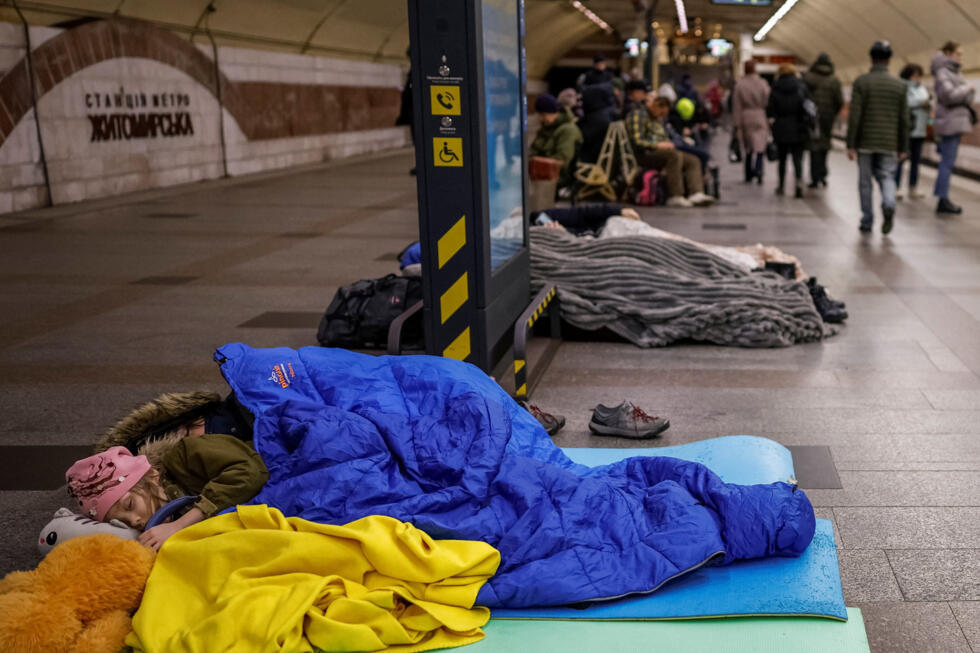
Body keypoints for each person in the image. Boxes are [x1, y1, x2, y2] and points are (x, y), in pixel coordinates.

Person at [66, 435, 268, 551]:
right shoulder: (154, 525)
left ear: (151, 475)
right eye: (124, 522)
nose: (135, 520)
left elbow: (250, 472)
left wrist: (180, 525)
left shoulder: (186, 455)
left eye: (130, 505)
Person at [845, 41, 908, 234]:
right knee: (887, 177)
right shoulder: (900, 85)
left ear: (871, 59)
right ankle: (889, 203)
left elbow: (855, 116)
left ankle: (867, 220)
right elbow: (904, 119)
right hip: (889, 142)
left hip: (865, 142)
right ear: (889, 61)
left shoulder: (861, 82)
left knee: (865, 182)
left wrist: (851, 144)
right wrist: (903, 147)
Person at [627, 93, 715, 208]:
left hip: (661, 150)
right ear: (656, 106)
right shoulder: (638, 115)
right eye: (661, 112)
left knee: (693, 160)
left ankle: (696, 192)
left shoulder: (656, 118)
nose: (661, 116)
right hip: (645, 153)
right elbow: (637, 141)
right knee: (674, 156)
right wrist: (657, 145)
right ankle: (676, 195)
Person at [932, 41, 975, 215]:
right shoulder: (943, 72)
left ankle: (943, 196)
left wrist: (965, 91)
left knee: (947, 162)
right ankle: (943, 199)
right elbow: (949, 96)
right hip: (949, 123)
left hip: (953, 122)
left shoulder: (952, 72)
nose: (960, 57)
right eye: (958, 53)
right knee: (947, 163)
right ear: (948, 53)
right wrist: (966, 89)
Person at [767, 63, 809, 198]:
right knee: (798, 159)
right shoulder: (801, 87)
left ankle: (781, 186)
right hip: (798, 126)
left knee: (782, 159)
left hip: (781, 127)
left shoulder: (776, 88)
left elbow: (770, 110)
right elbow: (807, 107)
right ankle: (798, 184)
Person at [803, 53, 843, 188]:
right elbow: (839, 101)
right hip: (828, 116)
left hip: (812, 117)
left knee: (814, 146)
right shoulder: (834, 80)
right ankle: (823, 175)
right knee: (825, 144)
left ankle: (814, 177)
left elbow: (803, 98)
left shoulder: (808, 78)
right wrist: (833, 113)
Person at [530, 93, 583, 188]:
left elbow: (562, 159)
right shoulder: (547, 127)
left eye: (544, 115)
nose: (541, 118)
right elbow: (535, 148)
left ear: (554, 113)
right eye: (540, 115)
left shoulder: (567, 130)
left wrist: (536, 162)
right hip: (539, 171)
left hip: (557, 175)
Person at [895, 64, 930, 200]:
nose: (917, 78)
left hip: (920, 130)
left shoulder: (921, 88)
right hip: (907, 130)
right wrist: (922, 102)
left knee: (916, 161)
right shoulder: (902, 87)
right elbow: (906, 102)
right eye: (915, 75)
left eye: (919, 75)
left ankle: (913, 186)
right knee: (901, 159)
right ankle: (896, 186)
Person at [732, 60, 770, 185]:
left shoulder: (740, 85)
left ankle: (748, 174)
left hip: (746, 116)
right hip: (760, 115)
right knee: (760, 146)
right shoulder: (762, 83)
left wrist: (737, 123)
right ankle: (759, 170)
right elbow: (767, 100)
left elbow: (736, 106)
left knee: (748, 147)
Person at [577, 84, 617, 164]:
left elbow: (580, 138)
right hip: (603, 160)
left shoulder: (596, 118)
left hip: (591, 161)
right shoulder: (608, 113)